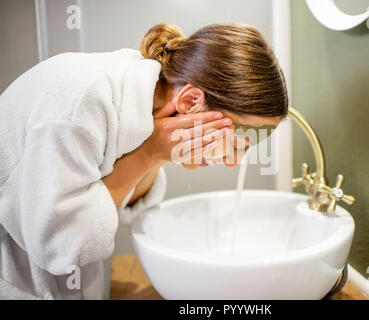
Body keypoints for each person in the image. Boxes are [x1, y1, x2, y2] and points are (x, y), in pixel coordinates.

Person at [0, 23, 288, 299]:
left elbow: (122, 205)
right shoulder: (79, 108)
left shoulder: (144, 106)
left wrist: (159, 153)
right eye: (239, 140)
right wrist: (147, 153)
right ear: (190, 103)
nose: (233, 161)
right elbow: (61, 245)